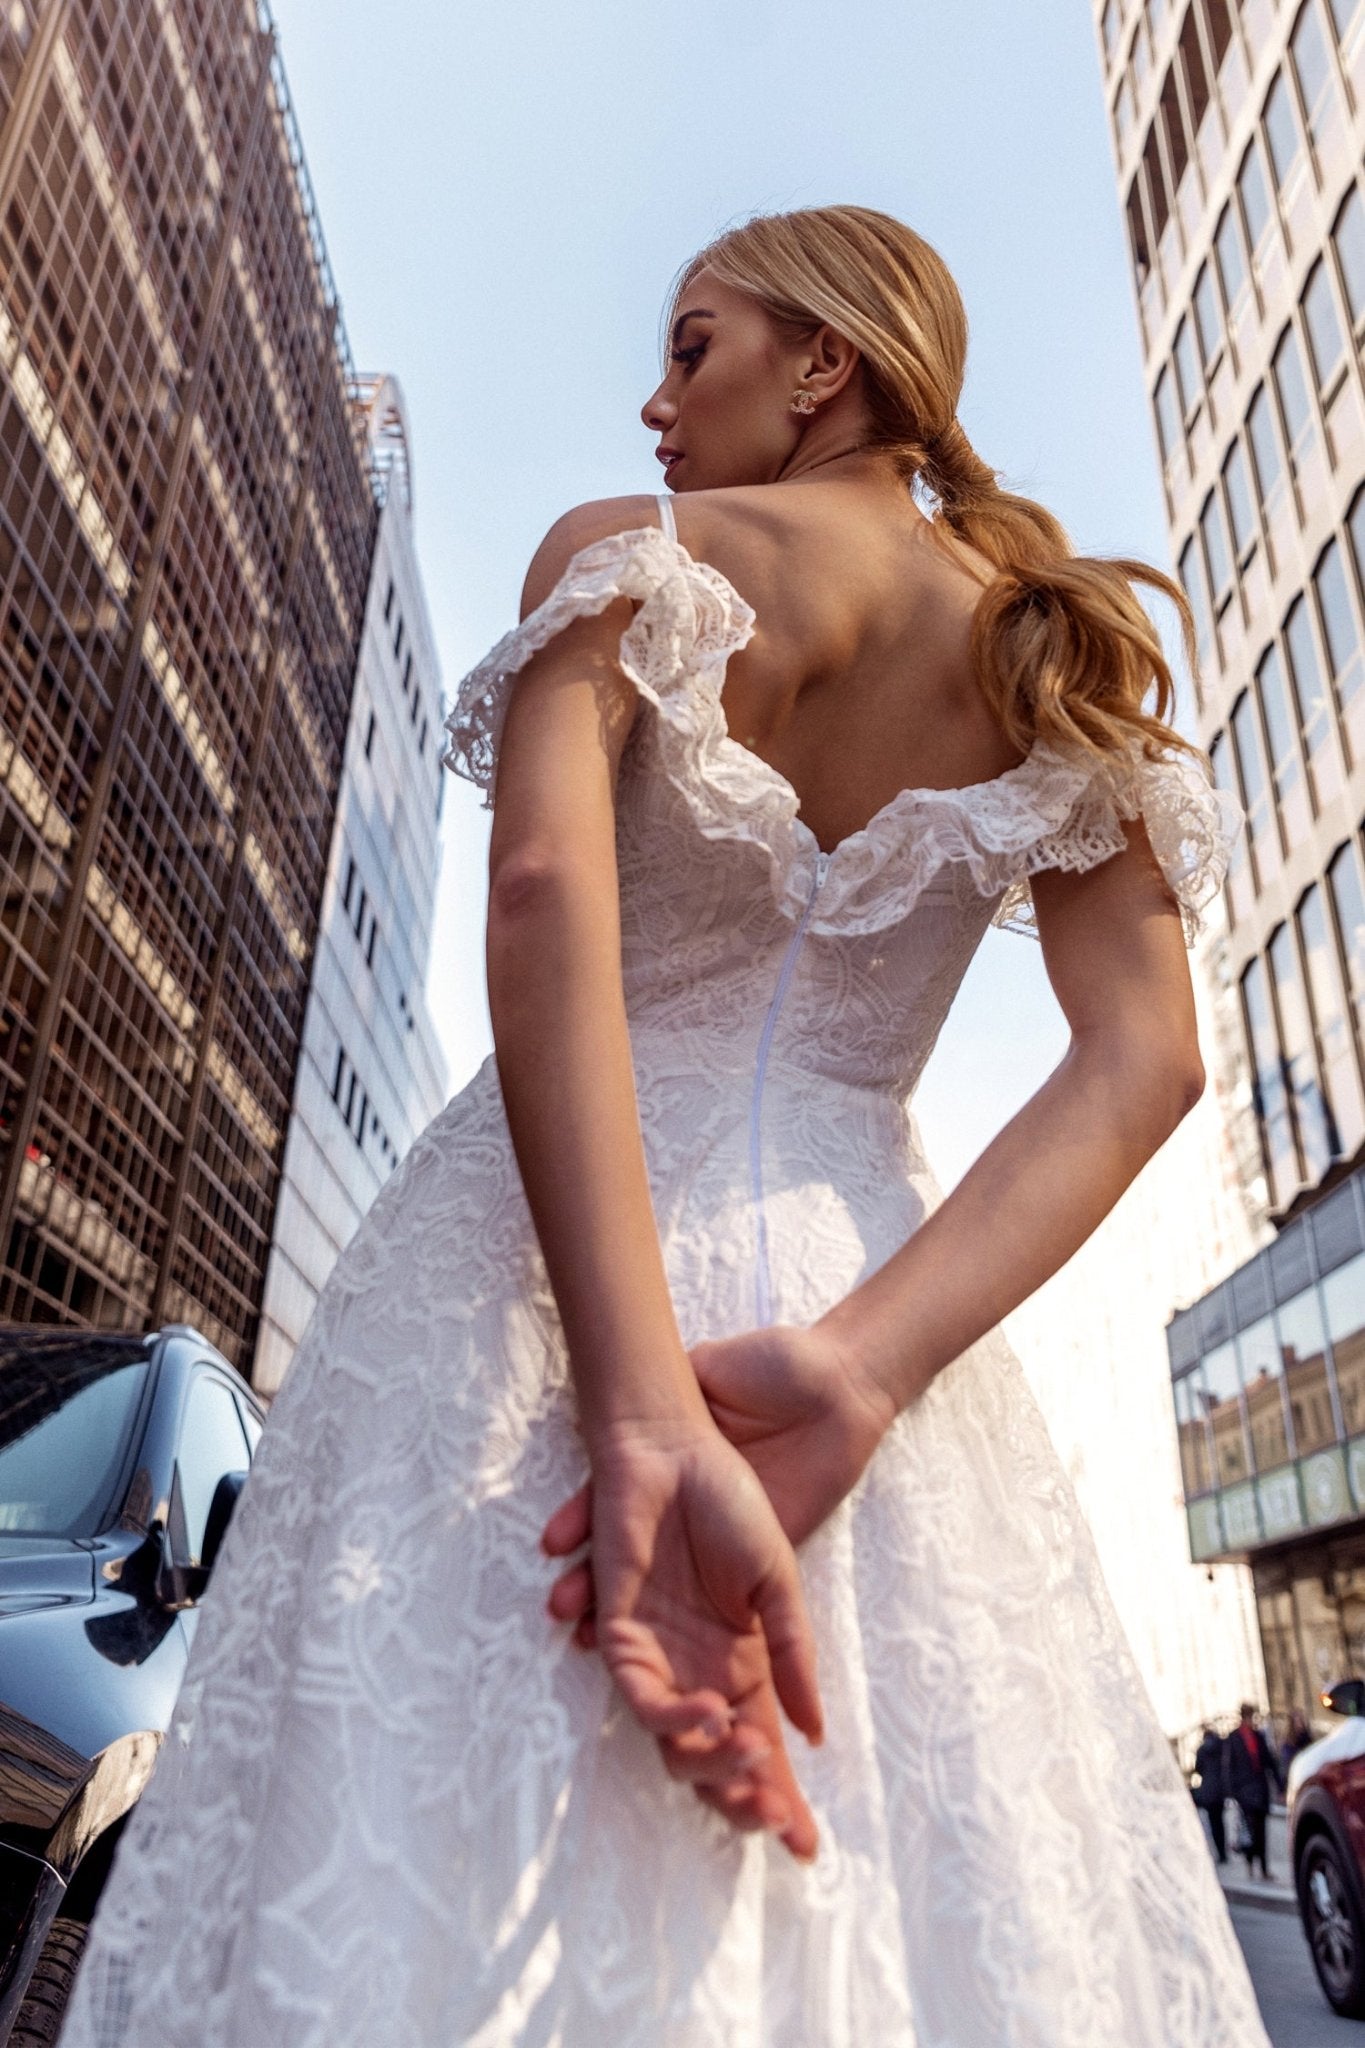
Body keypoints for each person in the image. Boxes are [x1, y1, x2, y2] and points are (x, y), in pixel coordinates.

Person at [60, 205, 1269, 2046]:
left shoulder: (632, 559)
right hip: (858, 1306)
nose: (652, 401)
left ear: (824, 363)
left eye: (691, 346)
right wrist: (858, 1375)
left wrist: (635, 1407)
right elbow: (1147, 1060)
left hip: (523, 1286)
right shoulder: (1047, 667)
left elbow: (543, 898)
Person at [1227, 1701, 1284, 1881]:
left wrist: (1279, 1785)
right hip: (1244, 1792)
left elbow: (1269, 1761)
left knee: (1261, 1830)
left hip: (1260, 1789)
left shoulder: (1258, 1736)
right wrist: (1233, 1792)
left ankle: (1264, 1868)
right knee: (1250, 1830)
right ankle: (1251, 1863)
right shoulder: (1234, 1738)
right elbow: (1229, 1767)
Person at [1192, 1725, 1230, 1865]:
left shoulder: (1201, 1750)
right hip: (1220, 1790)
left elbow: (1198, 1769)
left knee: (1213, 1823)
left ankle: (1220, 1853)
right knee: (1220, 1822)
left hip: (1208, 1790)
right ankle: (1224, 1852)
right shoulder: (1221, 1747)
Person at [1280, 1705, 1314, 1781]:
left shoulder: (1306, 1737)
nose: (1301, 1722)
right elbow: (1289, 1762)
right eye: (1299, 1720)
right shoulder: (1288, 1742)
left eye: (1302, 1719)